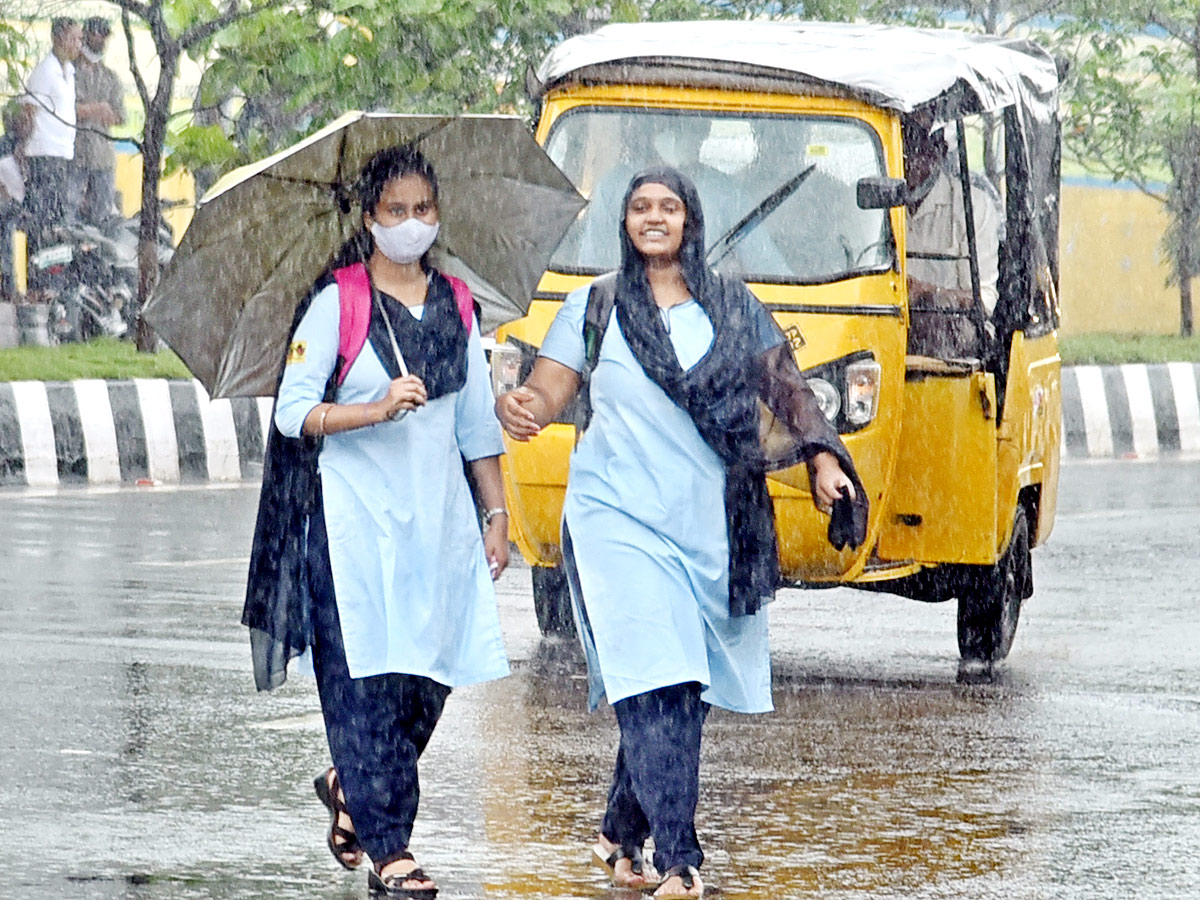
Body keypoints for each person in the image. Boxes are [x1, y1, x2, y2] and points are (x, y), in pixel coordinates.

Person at [495, 167, 866, 898]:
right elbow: (551, 385)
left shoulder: (731, 306)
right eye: (640, 208)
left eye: (669, 207)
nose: (654, 218)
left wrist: (824, 459)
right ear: (625, 223)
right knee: (652, 682)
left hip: (709, 525)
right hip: (614, 520)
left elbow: (786, 390)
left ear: (690, 221)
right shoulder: (595, 306)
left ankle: (617, 832)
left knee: (681, 688)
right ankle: (681, 859)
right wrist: (524, 406)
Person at [243, 145, 510, 898]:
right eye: (396, 210)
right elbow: (294, 412)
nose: (411, 223)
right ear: (370, 218)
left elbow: (475, 425)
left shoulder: (458, 304)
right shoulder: (337, 301)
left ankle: (347, 783)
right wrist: (375, 407)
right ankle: (393, 849)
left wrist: (495, 513)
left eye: (423, 209)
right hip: (350, 525)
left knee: (426, 682)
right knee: (361, 686)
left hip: (438, 525)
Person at [903, 113, 1003, 357]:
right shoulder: (875, 203)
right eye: (904, 152)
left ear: (939, 153)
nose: (911, 163)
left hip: (954, 330)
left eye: (920, 152)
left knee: (933, 327)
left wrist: (925, 293)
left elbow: (984, 300)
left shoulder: (973, 205)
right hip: (887, 325)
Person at [20, 18, 81, 236]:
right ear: (58, 38)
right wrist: (23, 149)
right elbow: (28, 111)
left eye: (79, 39)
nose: (78, 44)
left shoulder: (70, 72)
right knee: (41, 217)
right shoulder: (44, 71)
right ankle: (38, 265)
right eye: (73, 38)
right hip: (43, 154)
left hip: (63, 154)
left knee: (57, 218)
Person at [73, 18, 125, 226]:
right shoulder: (70, 72)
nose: (101, 39)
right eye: (97, 33)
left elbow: (119, 116)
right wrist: (98, 109)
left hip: (103, 157)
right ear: (86, 34)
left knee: (103, 215)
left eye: (105, 34)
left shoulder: (111, 77)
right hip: (75, 155)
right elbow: (68, 110)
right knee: (70, 212)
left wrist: (91, 110)